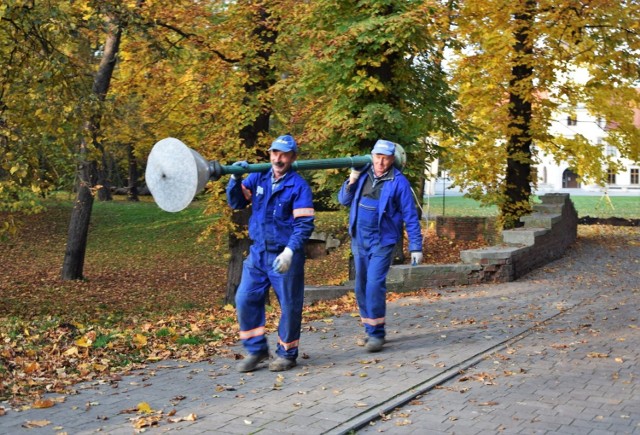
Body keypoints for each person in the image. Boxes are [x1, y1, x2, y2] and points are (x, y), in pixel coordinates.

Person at [226, 134, 315, 372]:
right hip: (258, 253)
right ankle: (256, 350)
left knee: (289, 304)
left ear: (292, 157)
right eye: (275, 153)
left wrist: (289, 252)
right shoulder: (259, 177)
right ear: (270, 155)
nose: (278, 158)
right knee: (245, 298)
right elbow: (236, 202)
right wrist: (235, 178)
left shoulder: (298, 187)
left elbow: (304, 225)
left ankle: (286, 353)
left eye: (284, 154)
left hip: (284, 255)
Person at [338, 139, 423, 352]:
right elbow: (344, 200)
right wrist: (352, 179)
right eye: (378, 157)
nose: (381, 162)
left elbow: (410, 216)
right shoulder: (362, 173)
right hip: (359, 238)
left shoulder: (399, 182)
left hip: (382, 241)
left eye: (386, 158)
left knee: (374, 285)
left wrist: (416, 246)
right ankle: (369, 329)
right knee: (360, 286)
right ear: (372, 155)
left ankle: (377, 334)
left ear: (392, 159)